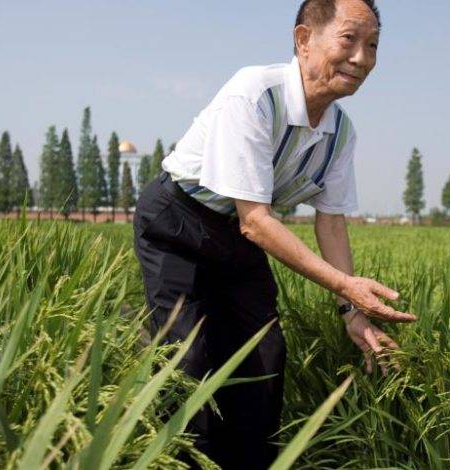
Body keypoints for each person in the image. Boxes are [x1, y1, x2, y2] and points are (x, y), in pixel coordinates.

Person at [133, 0, 416, 468]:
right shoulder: (254, 94)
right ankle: (183, 460)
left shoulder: (340, 133)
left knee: (263, 356)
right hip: (177, 222)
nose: (362, 58)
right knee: (187, 360)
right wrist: (346, 286)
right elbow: (256, 220)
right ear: (303, 39)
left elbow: (331, 220)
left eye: (372, 46)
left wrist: (352, 312)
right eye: (349, 40)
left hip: (236, 236)